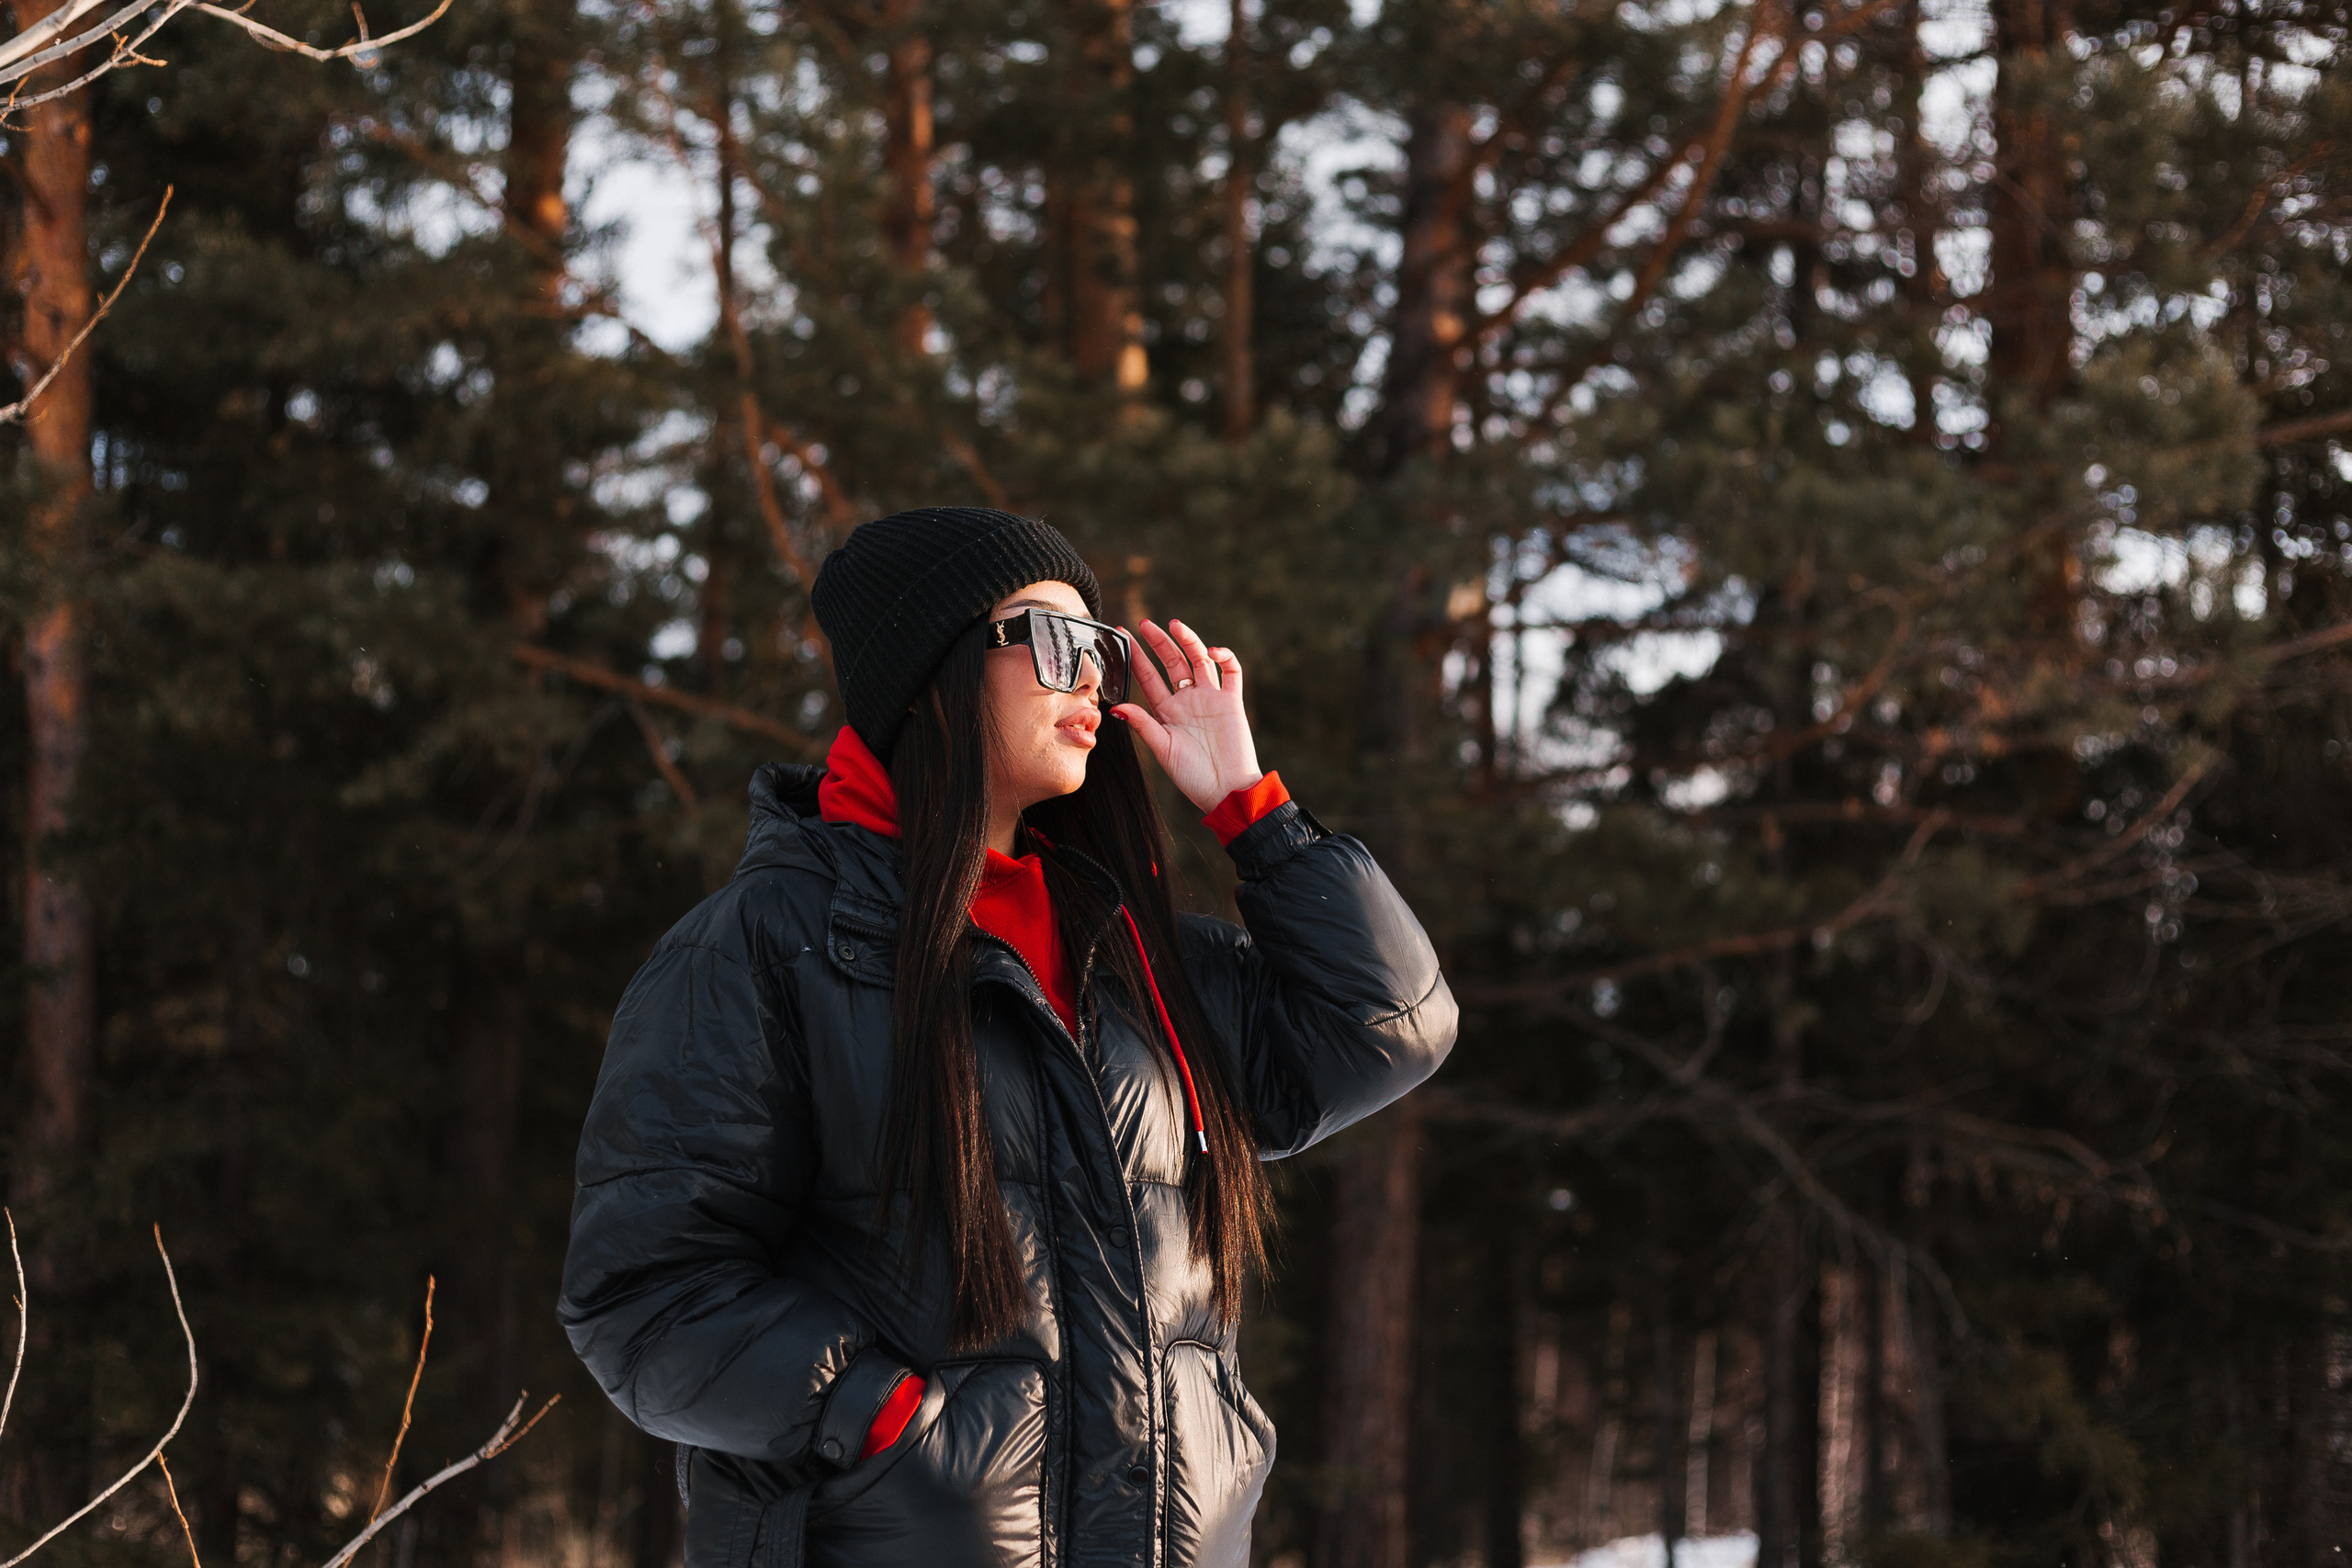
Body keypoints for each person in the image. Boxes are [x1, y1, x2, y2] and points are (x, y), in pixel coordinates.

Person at [560, 506, 1454, 1568]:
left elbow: (1390, 1027)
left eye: (1101, 648)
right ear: (929, 669)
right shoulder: (764, 949)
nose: (1091, 677)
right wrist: (882, 1420)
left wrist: (1252, 809)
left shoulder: (1137, 957)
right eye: (1050, 639)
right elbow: (643, 1296)